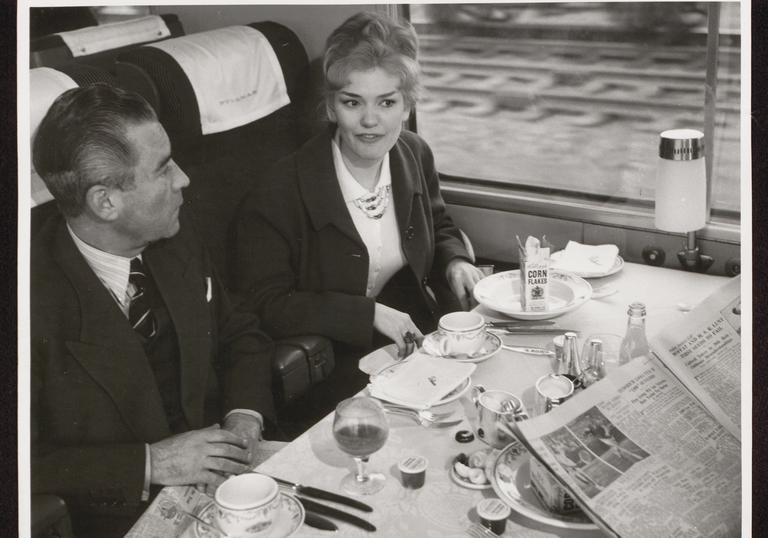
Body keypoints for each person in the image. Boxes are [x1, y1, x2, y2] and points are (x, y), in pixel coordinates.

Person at [31, 84, 275, 537]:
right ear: (106, 202)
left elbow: (239, 334)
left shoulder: (173, 233)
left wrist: (245, 416)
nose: (183, 179)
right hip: (116, 518)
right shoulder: (31, 300)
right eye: (163, 169)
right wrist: (151, 463)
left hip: (221, 488)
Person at [233, 11, 484, 401]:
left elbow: (437, 222)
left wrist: (455, 262)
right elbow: (263, 304)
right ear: (331, 108)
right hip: (335, 365)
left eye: (386, 102)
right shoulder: (279, 190)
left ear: (407, 107)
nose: (370, 121)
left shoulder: (414, 154)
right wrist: (367, 315)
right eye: (353, 102)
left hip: (412, 344)